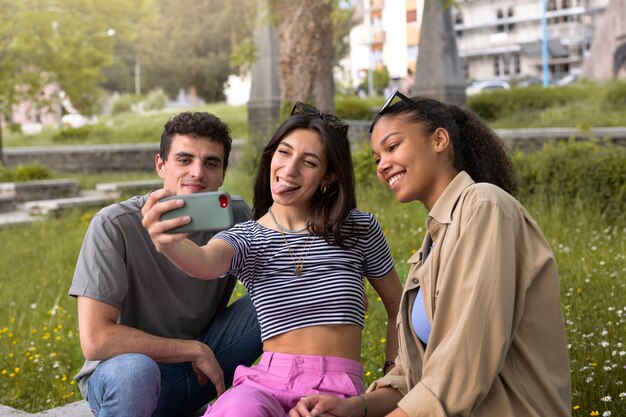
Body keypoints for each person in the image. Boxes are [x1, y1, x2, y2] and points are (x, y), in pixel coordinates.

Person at [290, 91, 571, 417]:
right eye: (376, 158)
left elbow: (466, 360)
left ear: (439, 140)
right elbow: (415, 375)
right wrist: (356, 406)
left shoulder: (485, 206)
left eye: (392, 147)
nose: (382, 165)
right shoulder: (430, 246)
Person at [141, 102, 404, 417]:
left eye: (308, 162)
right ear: (270, 157)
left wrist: (393, 375)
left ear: (329, 177)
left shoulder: (359, 228)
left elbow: (397, 307)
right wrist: (167, 242)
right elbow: (205, 262)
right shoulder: (248, 237)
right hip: (265, 384)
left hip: (337, 389)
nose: (289, 170)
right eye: (284, 153)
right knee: (241, 410)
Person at [69, 111, 263, 417]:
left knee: (287, 295)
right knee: (136, 371)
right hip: (130, 377)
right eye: (184, 160)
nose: (197, 172)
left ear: (223, 173)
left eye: (211, 163)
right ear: (161, 165)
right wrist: (193, 350)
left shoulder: (235, 216)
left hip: (205, 369)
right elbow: (96, 340)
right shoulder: (115, 224)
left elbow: (282, 282)